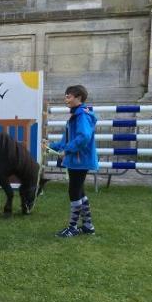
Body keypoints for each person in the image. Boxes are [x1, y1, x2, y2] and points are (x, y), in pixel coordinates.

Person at [45, 85, 98, 238]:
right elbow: (67, 139)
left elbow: (83, 137)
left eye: (68, 96)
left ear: (78, 97)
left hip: (79, 160)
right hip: (78, 160)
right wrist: (50, 145)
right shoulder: (76, 115)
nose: (65, 99)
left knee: (74, 191)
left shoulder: (81, 115)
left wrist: (67, 150)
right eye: (66, 96)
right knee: (79, 191)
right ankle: (88, 226)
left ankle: (73, 227)